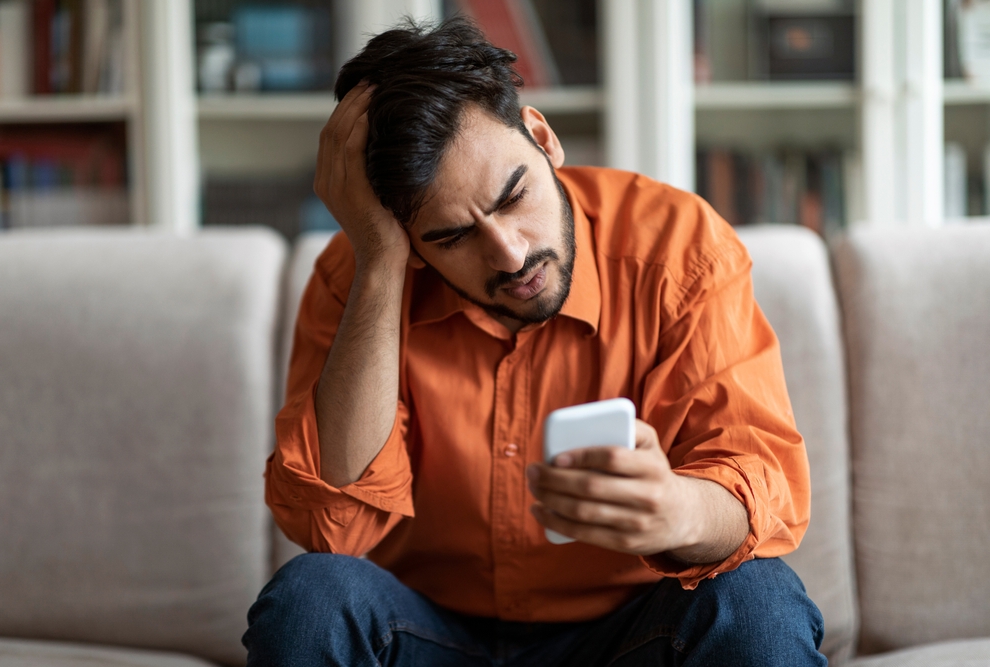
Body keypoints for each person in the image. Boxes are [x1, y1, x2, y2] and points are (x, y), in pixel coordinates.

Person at [243, 18, 826, 667]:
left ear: (544, 140)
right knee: (309, 597)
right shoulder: (354, 280)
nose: (511, 254)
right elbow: (333, 530)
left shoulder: (679, 247)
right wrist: (378, 260)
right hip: (428, 634)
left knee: (760, 601)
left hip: (631, 634)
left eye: (514, 195)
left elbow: (763, 487)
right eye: (449, 237)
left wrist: (676, 513)